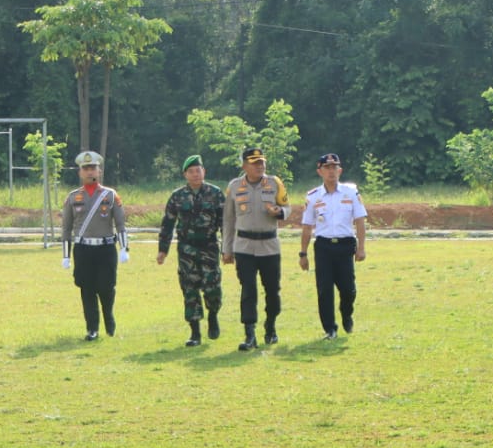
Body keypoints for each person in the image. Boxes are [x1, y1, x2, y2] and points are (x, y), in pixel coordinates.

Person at [223, 147, 291, 351]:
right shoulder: (234, 187)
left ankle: (270, 326)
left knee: (272, 290)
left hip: (269, 246)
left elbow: (288, 208)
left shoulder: (274, 183)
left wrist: (279, 212)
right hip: (244, 247)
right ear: (244, 166)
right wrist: (226, 249)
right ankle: (249, 334)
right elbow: (228, 219)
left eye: (262, 162)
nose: (260, 166)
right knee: (248, 290)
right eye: (255, 163)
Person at [156, 154, 226, 346]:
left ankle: (213, 315)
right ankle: (195, 332)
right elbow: (168, 223)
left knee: (212, 286)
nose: (196, 174)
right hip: (186, 248)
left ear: (204, 172)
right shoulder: (177, 196)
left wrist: (228, 249)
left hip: (209, 246)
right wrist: (163, 250)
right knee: (189, 289)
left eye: (199, 170)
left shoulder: (216, 193)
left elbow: (225, 223)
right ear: (185, 174)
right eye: (191, 171)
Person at [59, 150, 129, 341]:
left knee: (106, 287)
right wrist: (66, 255)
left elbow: (120, 224)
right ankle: (92, 329)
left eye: (93, 168)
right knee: (87, 289)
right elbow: (66, 228)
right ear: (80, 172)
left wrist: (124, 248)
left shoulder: (110, 195)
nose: (90, 172)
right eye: (86, 169)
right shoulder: (73, 197)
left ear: (99, 171)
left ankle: (109, 316)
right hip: (83, 250)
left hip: (105, 249)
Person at [298, 152, 367, 339]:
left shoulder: (351, 192)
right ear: (319, 171)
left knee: (348, 289)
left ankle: (347, 313)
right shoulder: (313, 196)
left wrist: (361, 248)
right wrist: (302, 254)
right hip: (323, 247)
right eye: (327, 168)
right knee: (324, 289)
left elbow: (360, 221)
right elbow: (307, 226)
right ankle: (330, 329)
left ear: (340, 170)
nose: (331, 171)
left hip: (345, 246)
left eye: (334, 167)